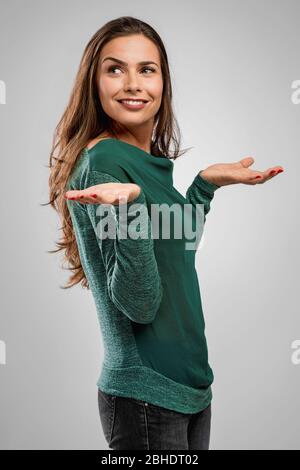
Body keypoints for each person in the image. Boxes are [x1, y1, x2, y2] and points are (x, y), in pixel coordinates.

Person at [48, 16, 284, 450]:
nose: (132, 83)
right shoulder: (105, 164)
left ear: (163, 82)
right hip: (146, 397)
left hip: (190, 389)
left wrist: (204, 186)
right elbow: (139, 303)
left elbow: (176, 249)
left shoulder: (143, 162)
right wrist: (132, 207)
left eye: (147, 69)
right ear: (94, 84)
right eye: (115, 69)